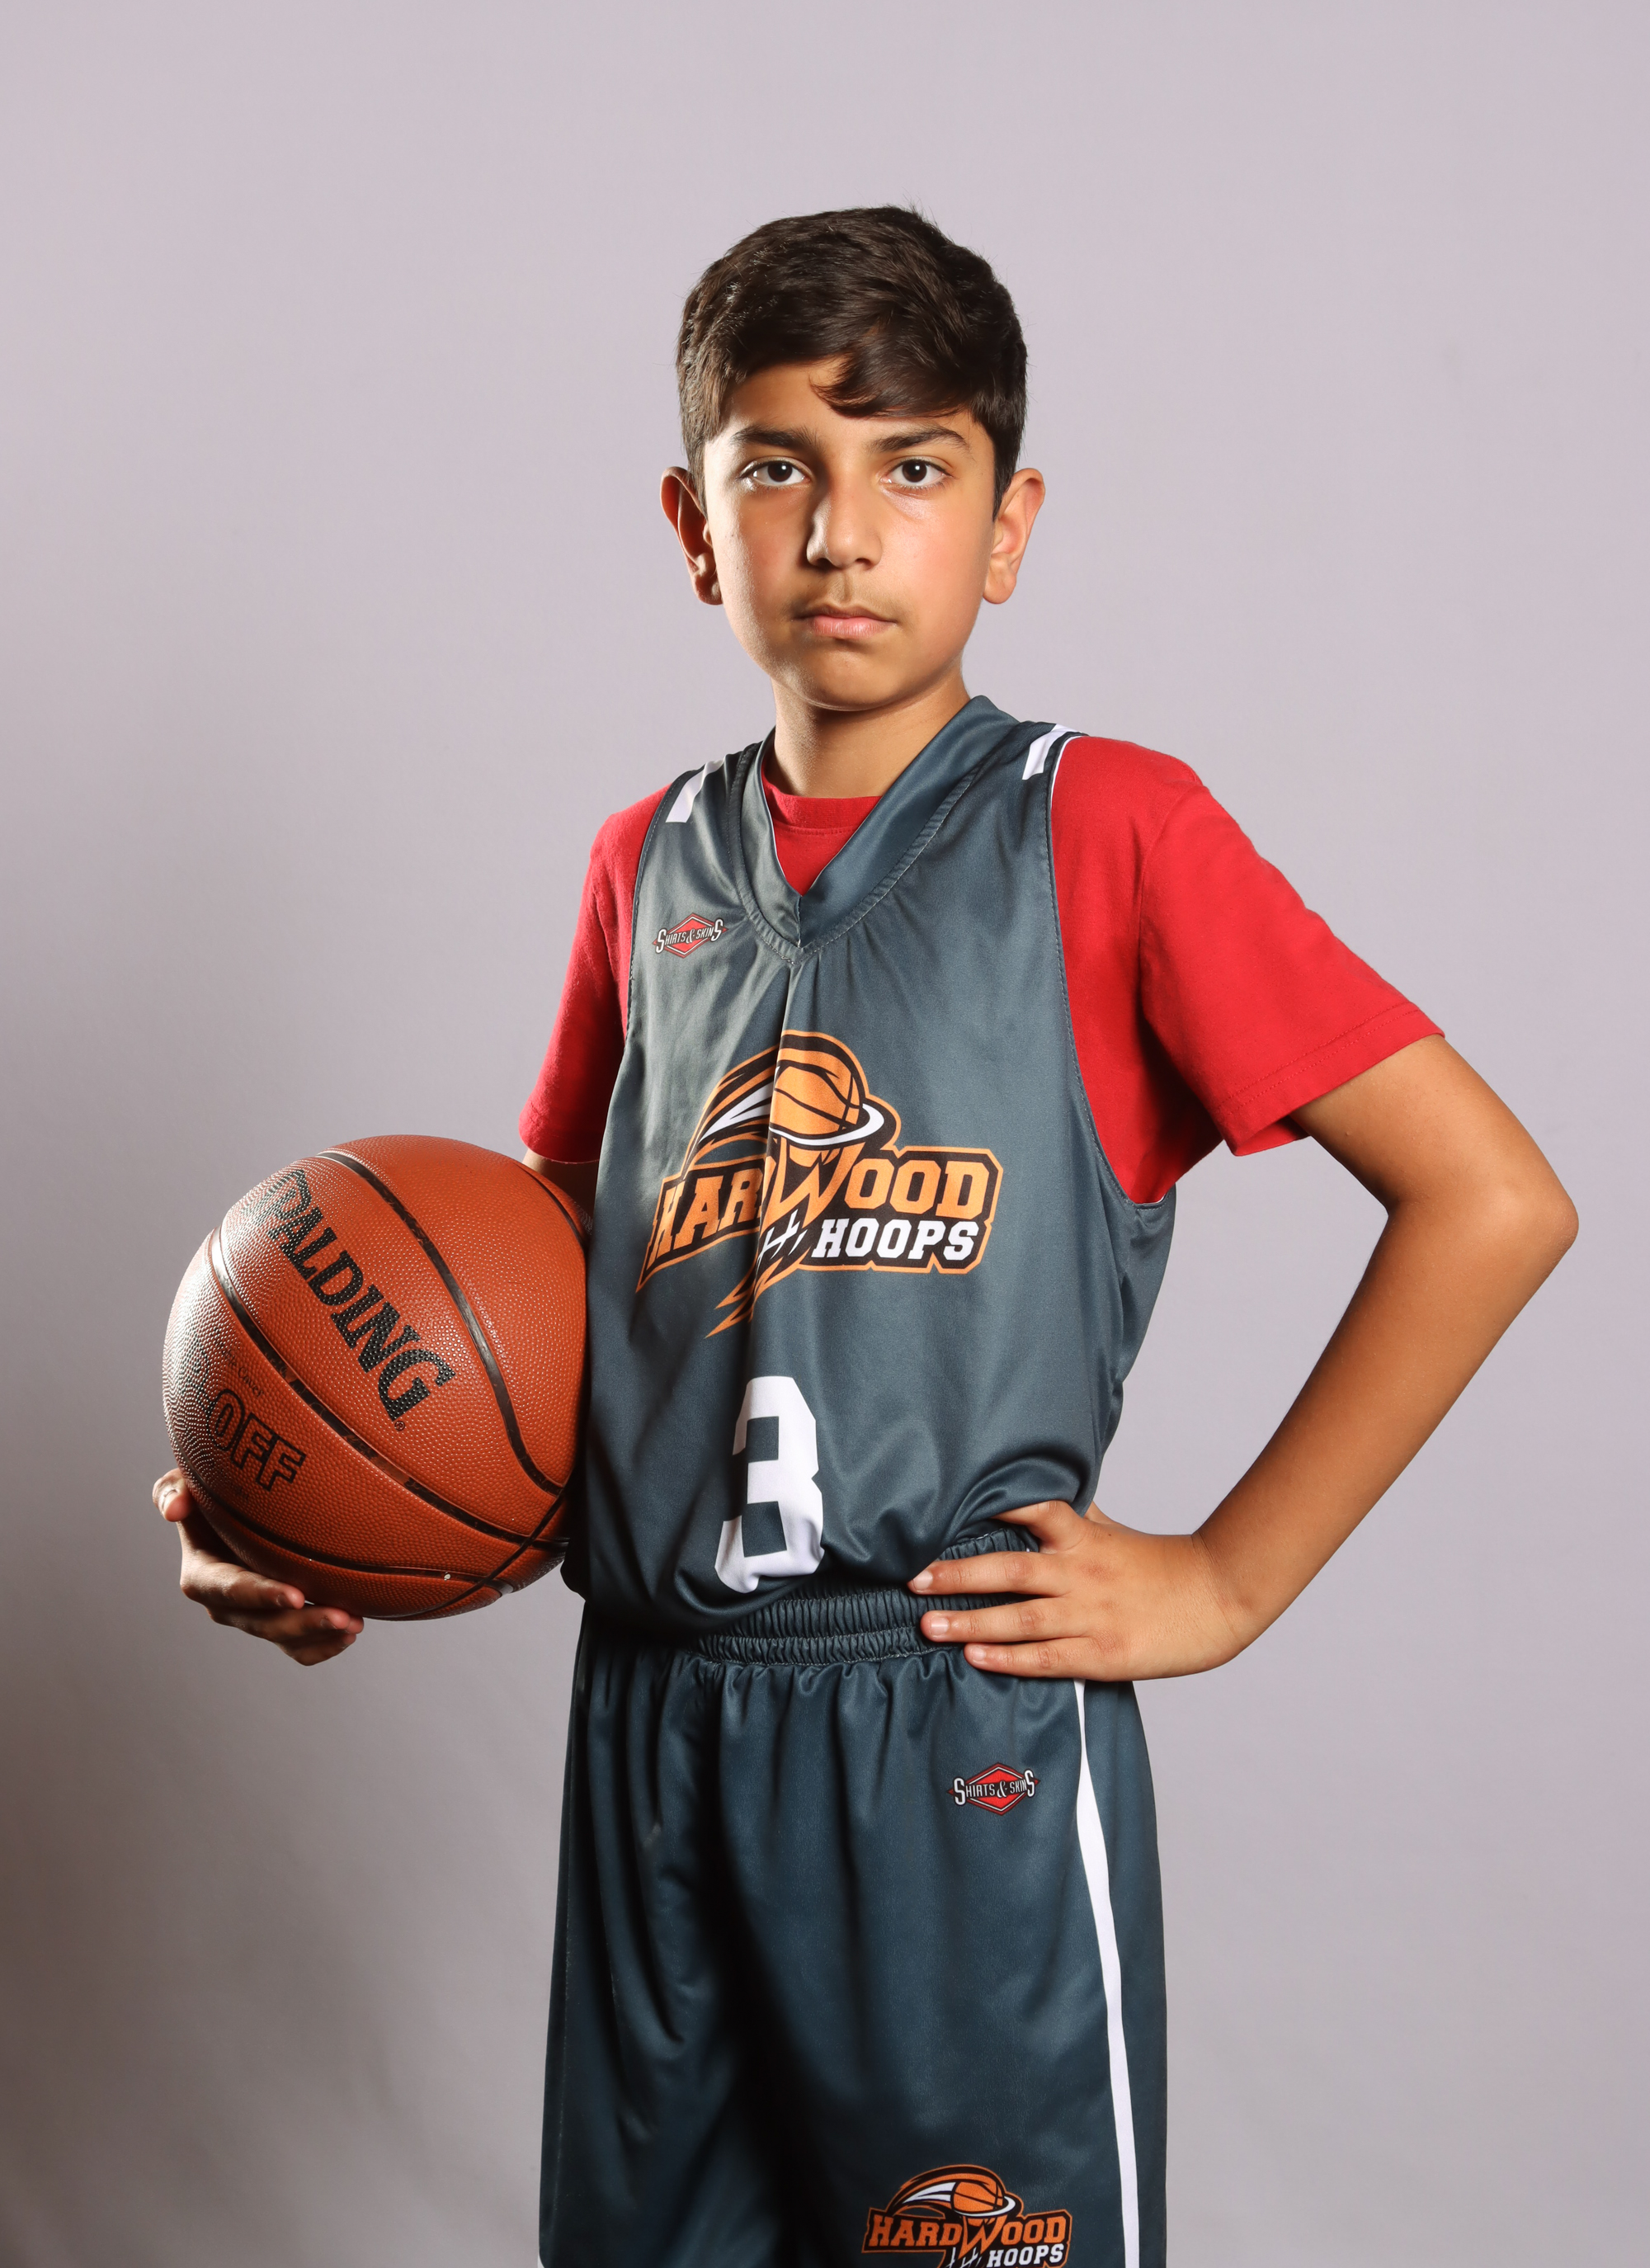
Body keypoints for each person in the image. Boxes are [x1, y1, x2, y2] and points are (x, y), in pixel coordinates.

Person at [155, 206, 1577, 2268]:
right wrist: (306, 1505)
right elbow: (550, 1331)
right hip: (656, 1725)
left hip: (947, 1722)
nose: (839, 532)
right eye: (776, 467)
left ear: (1006, 527)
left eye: (912, 465)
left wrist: (1227, 1577)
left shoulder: (1103, 826)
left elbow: (1492, 1195)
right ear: (691, 525)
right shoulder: (644, 865)